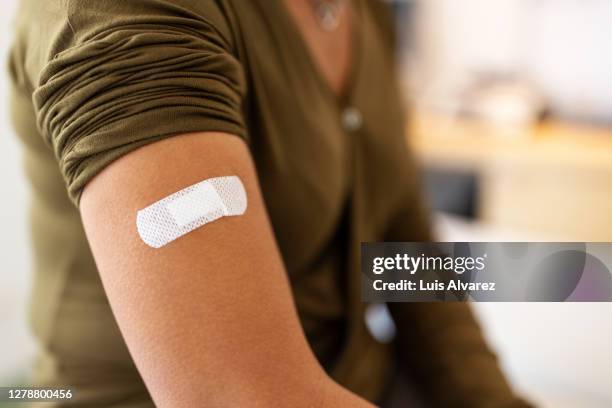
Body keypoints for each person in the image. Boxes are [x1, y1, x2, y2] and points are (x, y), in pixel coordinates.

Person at [9, 0, 531, 406]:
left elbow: (404, 246)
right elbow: (240, 398)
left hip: (357, 378)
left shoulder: (358, 11)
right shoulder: (128, 15)